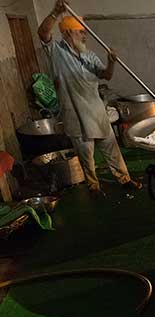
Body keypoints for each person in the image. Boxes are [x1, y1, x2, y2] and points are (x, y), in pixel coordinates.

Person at [38, 0, 142, 194]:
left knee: (112, 149)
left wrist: (111, 63)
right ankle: (93, 186)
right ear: (68, 33)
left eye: (84, 32)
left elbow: (106, 75)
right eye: (80, 32)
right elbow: (43, 33)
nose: (85, 35)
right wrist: (55, 12)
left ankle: (124, 179)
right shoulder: (56, 52)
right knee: (86, 155)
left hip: (96, 110)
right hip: (75, 113)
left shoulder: (90, 56)